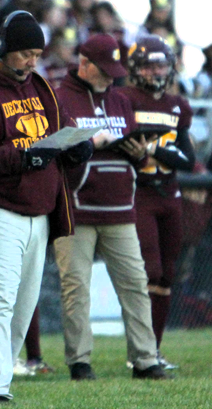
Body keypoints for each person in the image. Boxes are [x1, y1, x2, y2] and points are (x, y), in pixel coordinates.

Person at [0, 11, 93, 401]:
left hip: (40, 212)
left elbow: (60, 129)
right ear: (3, 49)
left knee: (22, 306)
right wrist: (21, 157)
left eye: (37, 53)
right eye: (25, 53)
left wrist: (76, 146)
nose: (32, 61)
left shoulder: (39, 86)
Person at [53, 33, 169, 381]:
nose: (110, 77)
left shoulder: (120, 100)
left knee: (136, 283)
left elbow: (129, 139)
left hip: (121, 209)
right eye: (104, 71)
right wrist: (90, 141)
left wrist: (137, 152)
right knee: (76, 288)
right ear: (84, 64)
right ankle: (79, 361)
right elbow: (50, 145)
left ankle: (146, 359)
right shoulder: (59, 98)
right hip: (76, 209)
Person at [119, 35, 195, 369]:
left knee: (167, 275)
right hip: (139, 192)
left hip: (170, 192)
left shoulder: (179, 105)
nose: (156, 71)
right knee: (149, 272)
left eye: (161, 64)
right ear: (135, 68)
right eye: (149, 65)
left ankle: (154, 350)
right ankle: (141, 352)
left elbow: (188, 159)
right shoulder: (123, 98)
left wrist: (153, 150)